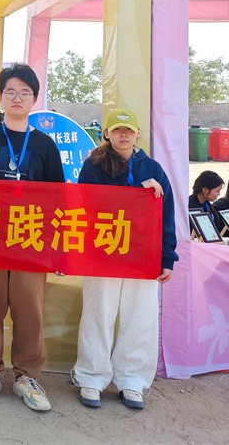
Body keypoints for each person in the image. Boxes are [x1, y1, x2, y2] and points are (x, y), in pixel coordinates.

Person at [0, 64, 65, 412]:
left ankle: (27, 376)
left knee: (29, 309)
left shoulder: (45, 145)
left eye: (25, 93)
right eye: (11, 92)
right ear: (1, 97)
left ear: (34, 99)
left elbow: (58, 198)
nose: (17, 98)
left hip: (30, 239)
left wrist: (56, 247)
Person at [72, 108, 177, 411]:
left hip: (142, 256)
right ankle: (92, 377)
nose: (123, 135)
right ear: (107, 133)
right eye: (117, 130)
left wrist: (167, 257)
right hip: (103, 251)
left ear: (137, 134)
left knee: (139, 319)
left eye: (128, 130)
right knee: (98, 315)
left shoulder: (153, 168)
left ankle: (132, 380)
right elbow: (92, 203)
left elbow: (166, 216)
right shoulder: (93, 166)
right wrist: (137, 192)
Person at [188, 170, 225, 237]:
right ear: (205, 190)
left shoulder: (207, 204)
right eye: (217, 191)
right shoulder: (190, 206)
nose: (219, 194)